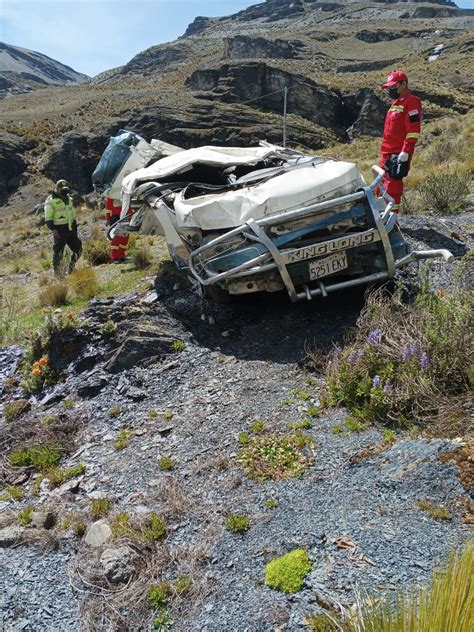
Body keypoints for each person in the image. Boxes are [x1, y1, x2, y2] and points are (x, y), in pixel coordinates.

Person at [379, 70, 422, 213]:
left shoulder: (412, 102)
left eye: (393, 87)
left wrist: (406, 151)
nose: (390, 90)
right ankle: (381, 216)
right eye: (389, 88)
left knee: (393, 186)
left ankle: (392, 220)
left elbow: (413, 130)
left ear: (404, 84)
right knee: (380, 185)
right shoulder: (395, 103)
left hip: (398, 152)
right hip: (386, 152)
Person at [44, 179, 82, 275]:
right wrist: (53, 229)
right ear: (57, 188)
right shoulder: (51, 200)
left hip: (70, 229)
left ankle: (71, 268)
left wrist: (75, 226)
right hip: (59, 230)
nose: (65, 190)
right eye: (62, 188)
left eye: (66, 188)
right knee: (58, 253)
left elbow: (72, 214)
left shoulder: (69, 199)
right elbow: (48, 216)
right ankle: (58, 273)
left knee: (78, 249)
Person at [105, 196, 129, 263]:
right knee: (116, 238)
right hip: (117, 218)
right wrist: (108, 219)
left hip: (124, 217)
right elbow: (108, 208)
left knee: (124, 238)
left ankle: (120, 256)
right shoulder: (112, 194)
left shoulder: (126, 192)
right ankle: (115, 257)